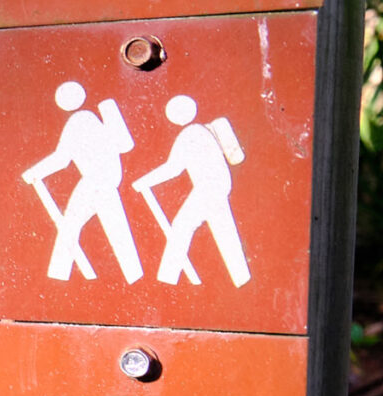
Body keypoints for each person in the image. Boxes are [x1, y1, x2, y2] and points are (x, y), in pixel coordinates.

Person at [22, 81, 143, 283]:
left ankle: (58, 278)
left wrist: (34, 173)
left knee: (71, 226)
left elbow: (62, 158)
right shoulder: (93, 120)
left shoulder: (79, 122)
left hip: (94, 183)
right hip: (108, 182)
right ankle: (135, 277)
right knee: (116, 231)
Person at [132, 94, 251, 286]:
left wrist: (144, 182)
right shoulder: (204, 129)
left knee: (182, 226)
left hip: (207, 188)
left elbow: (173, 168)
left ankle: (167, 278)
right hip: (218, 186)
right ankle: (242, 278)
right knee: (223, 231)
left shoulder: (189, 135)